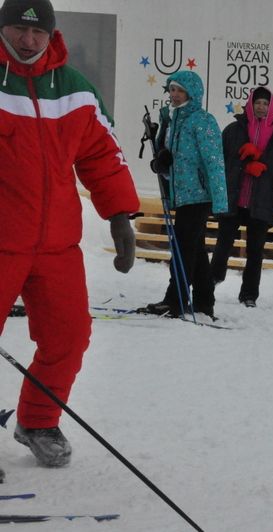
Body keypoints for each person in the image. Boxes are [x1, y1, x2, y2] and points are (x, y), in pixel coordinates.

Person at [0, 0, 139, 468]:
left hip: (56, 245)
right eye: (19, 28)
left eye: (38, 32)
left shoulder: (76, 90)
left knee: (70, 336)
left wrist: (120, 215)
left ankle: (38, 420)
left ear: (52, 34)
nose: (28, 40)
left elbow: (102, 154)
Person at [142, 70, 227, 318]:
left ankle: (175, 300)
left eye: (180, 90)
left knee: (182, 249)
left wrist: (220, 202)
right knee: (195, 250)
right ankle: (204, 301)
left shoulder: (203, 120)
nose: (175, 95)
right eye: (172, 90)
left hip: (198, 196)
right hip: (181, 194)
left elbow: (214, 162)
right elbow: (171, 155)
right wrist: (162, 160)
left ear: (192, 92)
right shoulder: (173, 119)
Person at [210, 86, 273, 307]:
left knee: (255, 251)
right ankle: (211, 280)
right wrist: (243, 166)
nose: (261, 107)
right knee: (222, 245)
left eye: (265, 104)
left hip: (261, 204)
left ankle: (249, 294)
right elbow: (217, 166)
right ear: (250, 104)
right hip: (233, 200)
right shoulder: (233, 131)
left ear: (271, 108)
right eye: (257, 103)